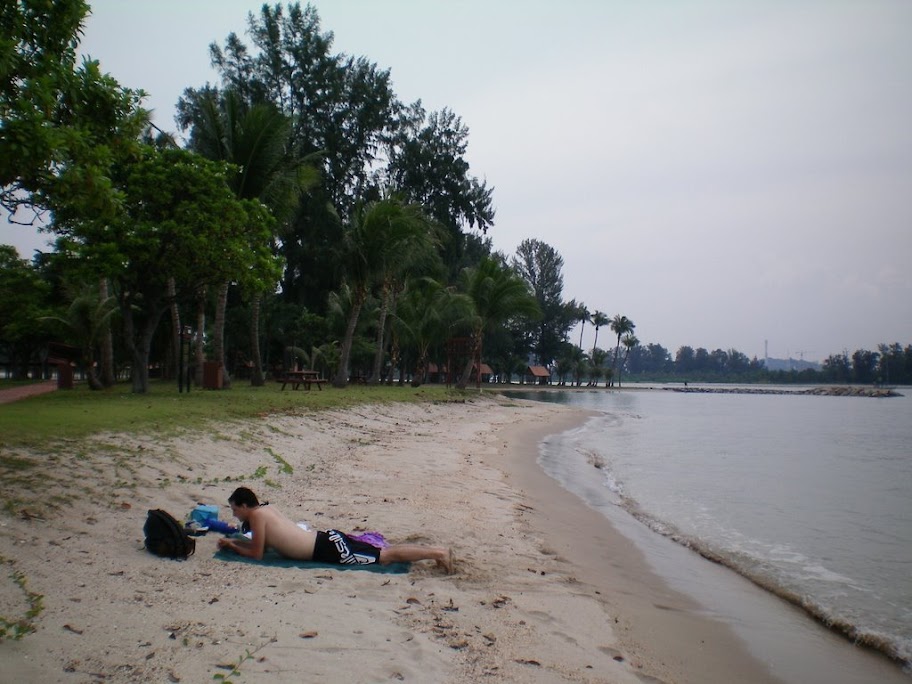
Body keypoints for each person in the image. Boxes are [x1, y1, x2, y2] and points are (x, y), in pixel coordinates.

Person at [217, 487, 454, 573]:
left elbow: (257, 554)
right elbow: (262, 545)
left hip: (328, 550)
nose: (234, 514)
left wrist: (232, 546)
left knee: (385, 556)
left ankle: (438, 553)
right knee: (384, 552)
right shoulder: (267, 510)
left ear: (245, 505)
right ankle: (437, 551)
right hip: (326, 539)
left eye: (235, 509)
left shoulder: (257, 516)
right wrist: (236, 544)